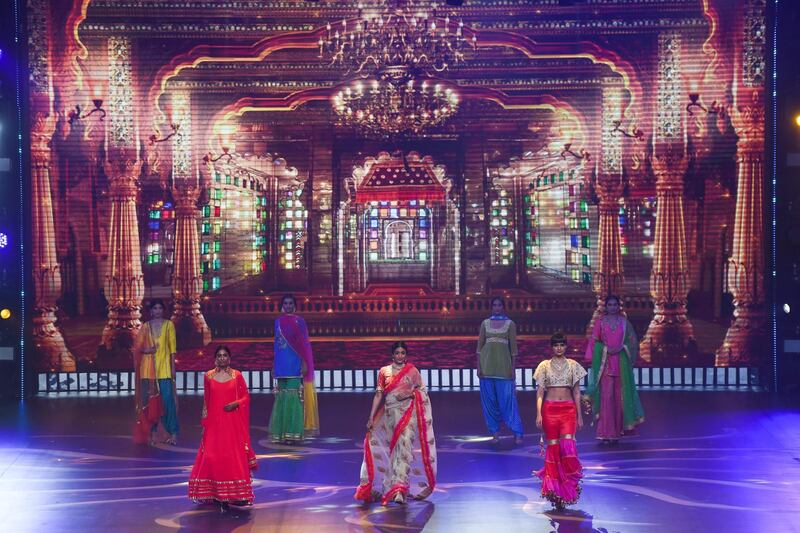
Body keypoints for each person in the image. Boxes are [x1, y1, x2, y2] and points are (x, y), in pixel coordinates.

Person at [356, 341, 437, 505]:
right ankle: (390, 486)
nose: (400, 356)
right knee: (391, 451)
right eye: (397, 353)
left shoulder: (413, 371)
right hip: (389, 415)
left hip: (407, 414)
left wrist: (409, 394)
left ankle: (400, 489)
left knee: (404, 449)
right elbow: (378, 395)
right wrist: (371, 417)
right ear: (392, 355)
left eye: (403, 353)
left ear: (406, 355)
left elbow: (422, 391)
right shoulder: (384, 371)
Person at [189, 345, 257, 509]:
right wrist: (205, 423)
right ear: (215, 359)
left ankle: (237, 494)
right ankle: (216, 493)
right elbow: (206, 401)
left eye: (225, 355)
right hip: (214, 423)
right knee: (213, 456)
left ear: (229, 358)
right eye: (219, 356)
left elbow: (246, 397)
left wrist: (235, 403)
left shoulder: (237, 375)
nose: (222, 358)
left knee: (232, 456)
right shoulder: (208, 376)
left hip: (232, 422)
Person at [534, 332, 587, 510]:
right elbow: (540, 392)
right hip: (549, 410)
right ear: (552, 347)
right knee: (554, 450)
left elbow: (577, 392)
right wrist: (539, 413)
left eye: (562, 344)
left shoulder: (574, 366)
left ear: (566, 346)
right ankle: (556, 492)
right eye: (556, 345)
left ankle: (569, 483)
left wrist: (579, 415)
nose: (559, 348)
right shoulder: (543, 366)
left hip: (568, 410)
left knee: (567, 447)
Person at [585, 295, 645, 444]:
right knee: (606, 399)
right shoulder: (600, 322)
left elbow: (633, 342)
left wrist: (621, 348)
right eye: (610, 305)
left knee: (619, 399)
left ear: (619, 306)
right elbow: (594, 342)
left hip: (621, 364)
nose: (612, 307)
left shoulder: (625, 323)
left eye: (615, 305)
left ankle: (616, 433)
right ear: (606, 307)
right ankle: (605, 433)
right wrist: (605, 349)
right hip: (605, 365)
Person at [269, 294, 319, 442]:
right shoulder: (277, 322)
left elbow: (304, 344)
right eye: (286, 303)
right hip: (281, 366)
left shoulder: (300, 321)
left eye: (291, 303)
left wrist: (305, 363)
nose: (288, 305)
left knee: (293, 400)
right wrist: (274, 365)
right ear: (282, 305)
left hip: (295, 366)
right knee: (281, 399)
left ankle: (293, 434)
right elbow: (276, 346)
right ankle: (280, 434)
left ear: (294, 305)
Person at [476, 297, 524, 445]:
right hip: (486, 369)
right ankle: (495, 434)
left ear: (503, 307)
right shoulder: (485, 323)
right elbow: (479, 348)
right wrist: (479, 367)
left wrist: (513, 369)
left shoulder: (510, 324)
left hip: (504, 370)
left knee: (508, 402)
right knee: (490, 404)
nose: (497, 307)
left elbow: (513, 350)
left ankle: (517, 433)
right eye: (494, 305)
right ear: (491, 307)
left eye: (499, 305)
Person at [133, 299, 178, 445]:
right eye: (155, 308)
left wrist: (172, 369)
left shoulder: (169, 325)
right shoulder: (145, 327)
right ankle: (152, 435)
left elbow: (172, 349)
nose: (157, 310)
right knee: (149, 404)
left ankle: (172, 434)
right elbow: (137, 348)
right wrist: (147, 350)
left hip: (164, 370)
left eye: (160, 308)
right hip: (147, 371)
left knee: (167, 402)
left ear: (163, 310)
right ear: (151, 311)